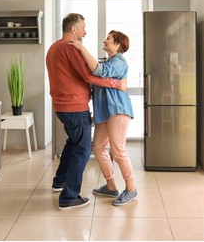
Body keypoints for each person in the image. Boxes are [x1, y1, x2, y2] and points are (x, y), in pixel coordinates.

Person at [46, 14, 127, 210]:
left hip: (61, 106)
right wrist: (117, 83)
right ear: (73, 30)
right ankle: (69, 197)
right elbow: (89, 75)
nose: (85, 31)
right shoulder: (70, 47)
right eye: (83, 27)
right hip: (75, 106)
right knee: (82, 150)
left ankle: (59, 181)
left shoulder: (54, 47)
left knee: (73, 142)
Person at [69, 30, 137, 206]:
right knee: (98, 148)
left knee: (118, 151)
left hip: (118, 111)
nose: (104, 40)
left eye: (108, 39)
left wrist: (81, 48)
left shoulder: (119, 61)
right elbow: (94, 78)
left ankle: (131, 189)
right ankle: (111, 186)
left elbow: (99, 71)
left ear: (118, 45)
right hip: (105, 113)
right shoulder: (110, 61)